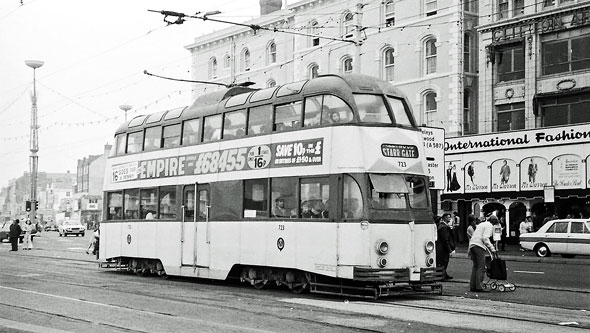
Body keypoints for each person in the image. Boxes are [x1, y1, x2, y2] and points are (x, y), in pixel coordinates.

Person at [468, 215, 499, 292]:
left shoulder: (482, 224)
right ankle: (479, 286)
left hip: (472, 245)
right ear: (494, 222)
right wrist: (492, 248)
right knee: (481, 266)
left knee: (475, 266)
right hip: (479, 246)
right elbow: (485, 238)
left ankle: (473, 286)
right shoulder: (489, 226)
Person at [435, 216, 455, 280]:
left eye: (450, 217)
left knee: (443, 261)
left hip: (440, 246)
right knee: (443, 261)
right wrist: (449, 249)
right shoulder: (444, 227)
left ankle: (443, 274)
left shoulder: (441, 226)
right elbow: (445, 239)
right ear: (444, 218)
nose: (449, 218)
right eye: (448, 217)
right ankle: (441, 275)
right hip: (442, 247)